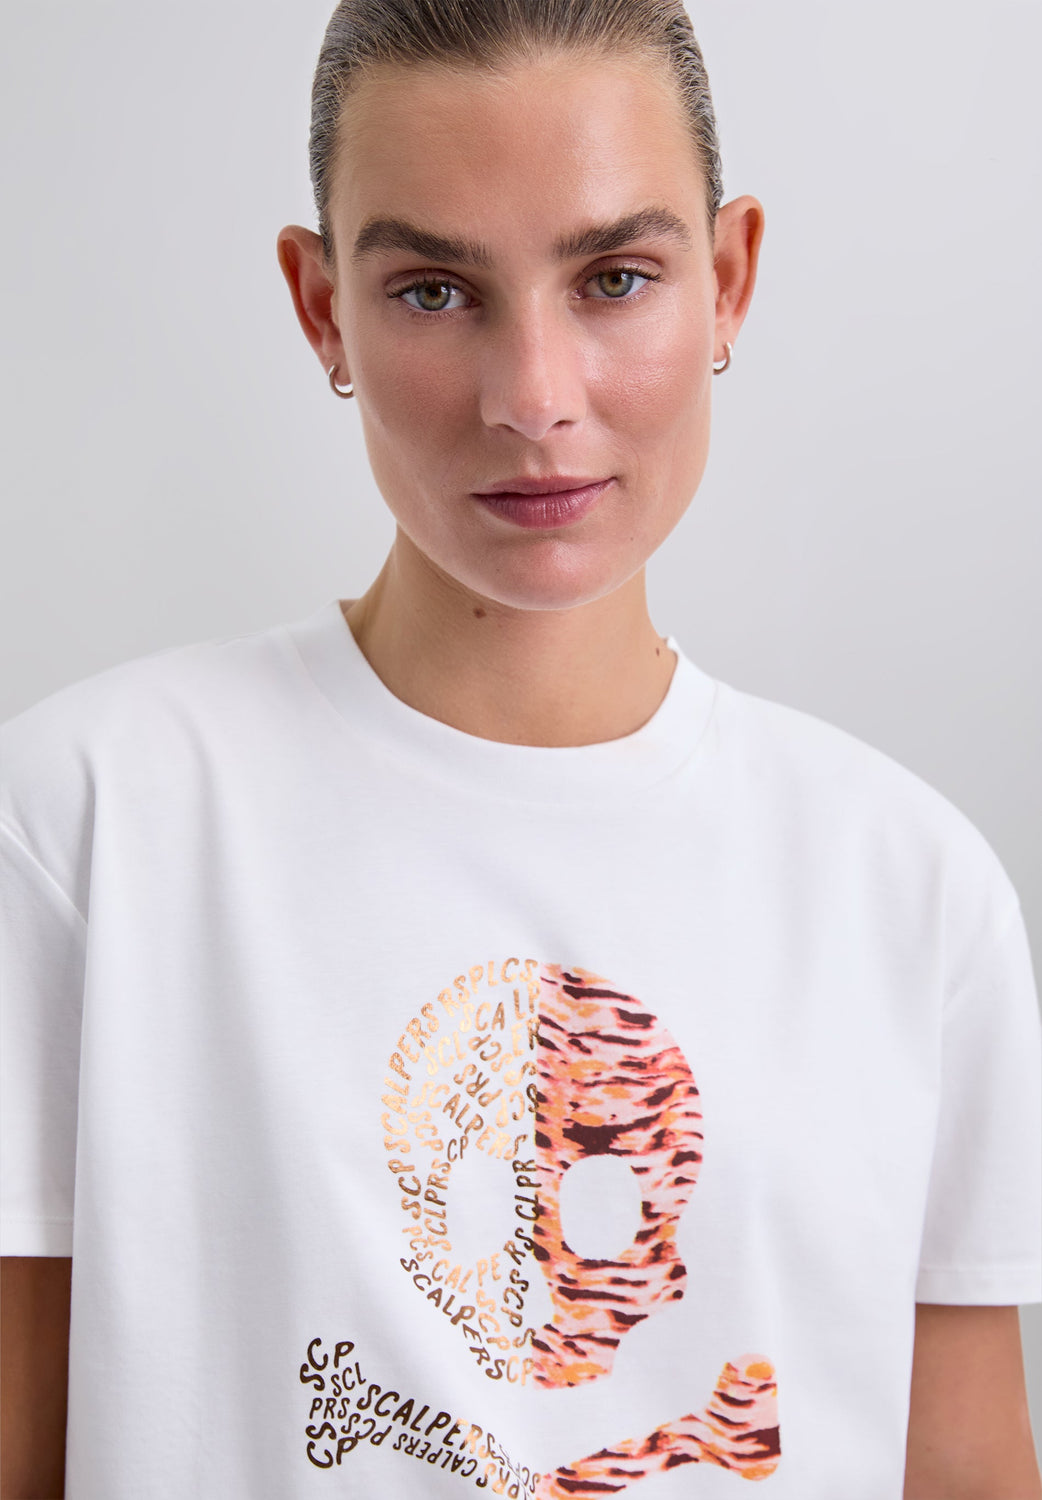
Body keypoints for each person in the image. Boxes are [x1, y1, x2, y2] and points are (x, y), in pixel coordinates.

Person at [2, 0, 1040, 1495]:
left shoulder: (910, 892)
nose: (535, 398)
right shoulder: (81, 831)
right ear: (321, 310)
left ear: (728, 282)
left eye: (614, 278)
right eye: (434, 292)